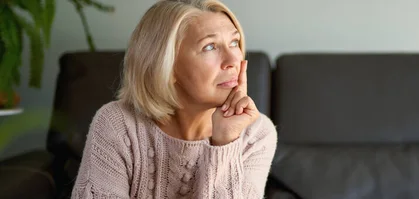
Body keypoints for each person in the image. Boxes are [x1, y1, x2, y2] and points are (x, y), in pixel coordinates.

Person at [71, 0, 278, 198]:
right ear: (165, 65)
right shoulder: (117, 124)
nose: (234, 60)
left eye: (234, 42)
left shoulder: (256, 135)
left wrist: (225, 143)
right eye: (210, 47)